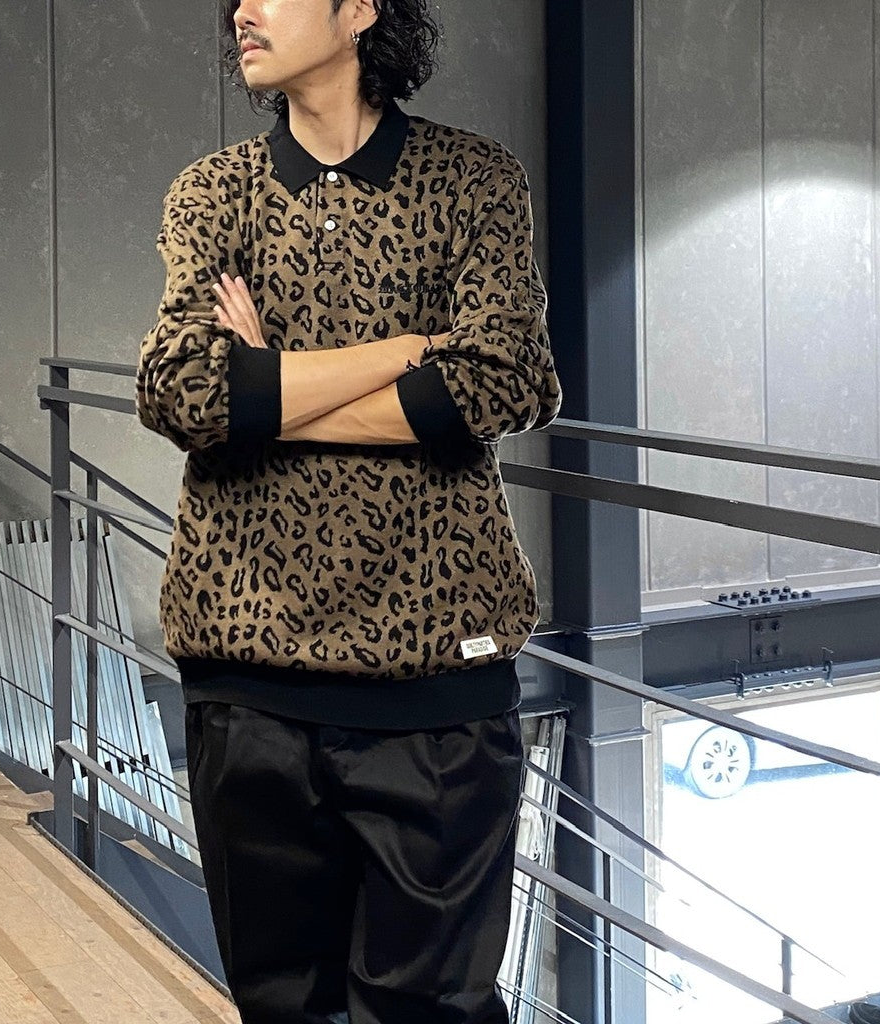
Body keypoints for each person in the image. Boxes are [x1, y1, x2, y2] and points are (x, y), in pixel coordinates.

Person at [135, 0, 563, 1020]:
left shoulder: (472, 180)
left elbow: (503, 380)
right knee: (283, 1006)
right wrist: (405, 352)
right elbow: (183, 392)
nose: (242, 11)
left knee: (431, 1010)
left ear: (360, 9)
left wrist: (270, 389)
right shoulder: (214, 192)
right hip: (248, 679)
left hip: (436, 683)